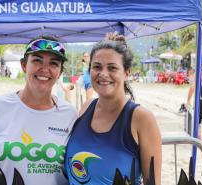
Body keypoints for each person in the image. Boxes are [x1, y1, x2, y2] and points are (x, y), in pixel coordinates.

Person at [64, 33, 162, 185]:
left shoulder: (141, 119)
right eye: (97, 67)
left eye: (112, 68)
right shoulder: (85, 108)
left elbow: (153, 182)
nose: (103, 74)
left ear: (126, 73)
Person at [0, 36, 78, 185]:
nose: (45, 69)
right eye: (37, 60)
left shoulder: (70, 115)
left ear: (60, 72)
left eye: (54, 63)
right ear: (24, 65)